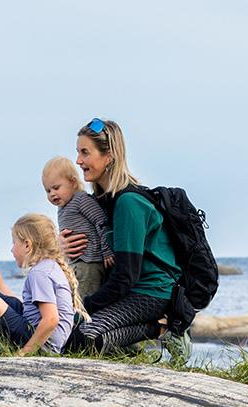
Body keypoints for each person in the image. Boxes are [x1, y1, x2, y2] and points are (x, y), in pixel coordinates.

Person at [67, 118, 183, 353]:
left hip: (152, 292)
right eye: (78, 152)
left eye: (85, 153)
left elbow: (125, 276)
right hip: (128, 291)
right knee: (70, 334)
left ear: (108, 156)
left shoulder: (129, 203)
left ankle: (161, 329)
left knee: (79, 340)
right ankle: (128, 347)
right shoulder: (102, 202)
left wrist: (85, 306)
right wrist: (61, 247)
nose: (78, 161)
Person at [0, 213, 88, 356]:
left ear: (27, 245)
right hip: (37, 333)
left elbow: (51, 319)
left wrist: (25, 353)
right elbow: (29, 309)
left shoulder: (39, 273)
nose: (11, 249)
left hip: (43, 345)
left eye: (14, 243)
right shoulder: (49, 266)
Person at [42, 156, 109, 298]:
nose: (52, 194)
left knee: (84, 300)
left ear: (72, 182)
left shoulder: (81, 199)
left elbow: (101, 222)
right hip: (76, 264)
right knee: (74, 298)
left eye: (56, 188)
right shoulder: (63, 207)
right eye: (48, 191)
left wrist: (107, 250)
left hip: (90, 261)